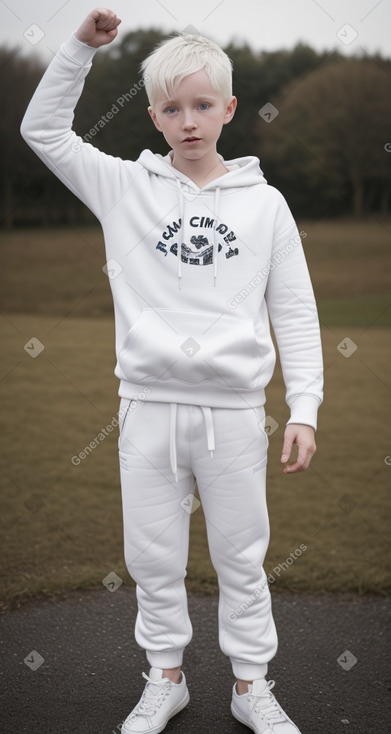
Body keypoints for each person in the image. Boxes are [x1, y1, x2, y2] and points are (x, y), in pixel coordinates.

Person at [20, 7, 324, 734]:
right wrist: (78, 51)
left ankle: (251, 687)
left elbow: (295, 311)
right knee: (151, 559)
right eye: (171, 108)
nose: (188, 121)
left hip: (233, 413)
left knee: (242, 560)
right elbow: (43, 132)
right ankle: (165, 679)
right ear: (153, 116)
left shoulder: (266, 205)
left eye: (201, 105)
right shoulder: (123, 188)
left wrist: (304, 406)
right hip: (147, 409)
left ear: (227, 108)